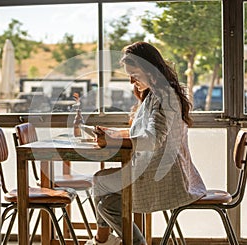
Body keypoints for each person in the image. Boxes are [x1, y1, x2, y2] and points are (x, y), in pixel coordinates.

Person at [85, 41, 207, 245]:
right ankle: (103, 240)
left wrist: (113, 139)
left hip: (165, 176)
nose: (132, 81)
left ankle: (120, 241)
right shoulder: (156, 94)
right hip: (155, 169)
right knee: (101, 184)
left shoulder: (165, 97)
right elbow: (143, 132)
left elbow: (153, 139)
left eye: (135, 74)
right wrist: (113, 134)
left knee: (106, 201)